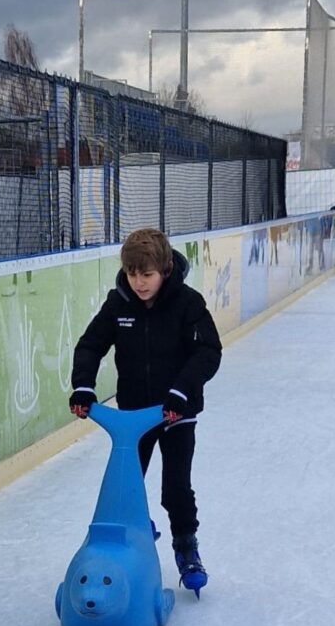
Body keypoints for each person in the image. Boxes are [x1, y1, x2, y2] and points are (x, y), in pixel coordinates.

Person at [69, 227, 222, 592]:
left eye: (147, 274)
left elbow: (208, 352)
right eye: (132, 273)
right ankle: (136, 530)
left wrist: (181, 393)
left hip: (176, 412)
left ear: (166, 269)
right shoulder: (118, 303)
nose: (139, 282)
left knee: (175, 488)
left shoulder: (188, 303)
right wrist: (83, 386)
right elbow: (90, 345)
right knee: (126, 485)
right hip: (134, 415)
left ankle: (187, 548)